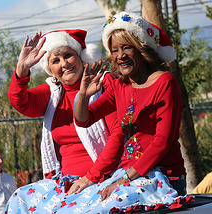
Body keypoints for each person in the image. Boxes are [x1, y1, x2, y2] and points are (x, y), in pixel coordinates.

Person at [69, 11, 191, 213]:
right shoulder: (120, 86)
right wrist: (83, 94)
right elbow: (84, 119)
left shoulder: (164, 83)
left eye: (127, 47)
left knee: (106, 208)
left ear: (143, 49)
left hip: (163, 177)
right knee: (79, 207)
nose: (120, 55)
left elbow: (162, 142)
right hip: (128, 177)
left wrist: (122, 181)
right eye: (115, 50)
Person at [4, 29, 125, 213]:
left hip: (104, 178)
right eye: (55, 60)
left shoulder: (103, 82)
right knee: (20, 199)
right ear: (50, 69)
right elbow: (21, 102)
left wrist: (90, 177)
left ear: (81, 57)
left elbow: (118, 135)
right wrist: (22, 69)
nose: (64, 64)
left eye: (68, 55)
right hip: (68, 183)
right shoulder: (52, 92)